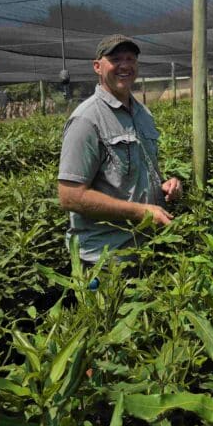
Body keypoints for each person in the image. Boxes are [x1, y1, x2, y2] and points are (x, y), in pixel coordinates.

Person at [58, 34, 182, 266]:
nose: (124, 65)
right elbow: (70, 197)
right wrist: (139, 211)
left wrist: (164, 185)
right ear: (97, 66)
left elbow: (136, 172)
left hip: (148, 249)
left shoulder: (143, 113)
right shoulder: (87, 120)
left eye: (130, 59)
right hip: (105, 260)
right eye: (115, 59)